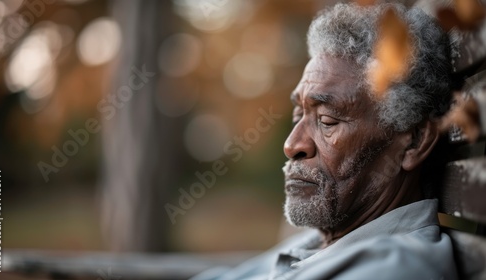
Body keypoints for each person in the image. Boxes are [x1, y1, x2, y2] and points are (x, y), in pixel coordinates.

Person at [193, 3, 457, 280]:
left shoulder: (393, 269)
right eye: (299, 114)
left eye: (328, 121)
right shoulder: (321, 241)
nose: (292, 145)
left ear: (414, 141)